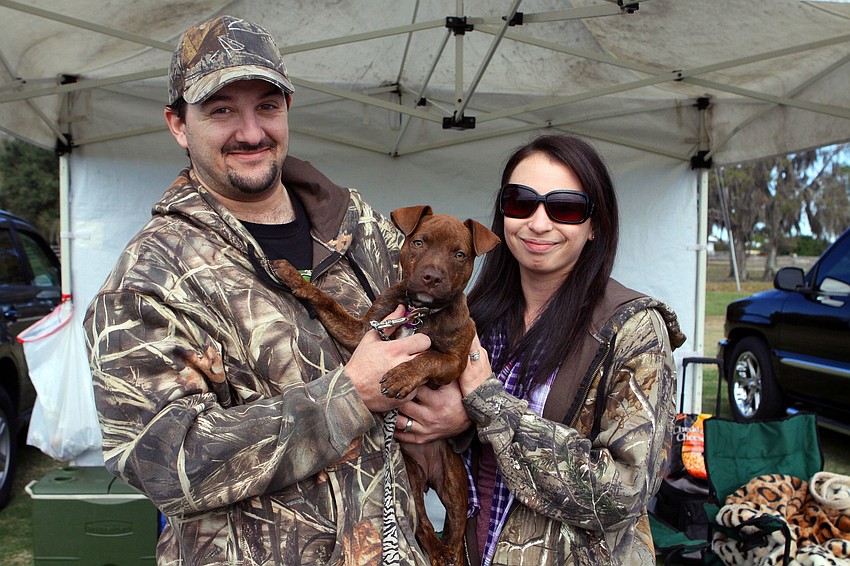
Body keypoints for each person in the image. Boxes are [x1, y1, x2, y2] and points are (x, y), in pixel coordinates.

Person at [83, 15, 435, 565]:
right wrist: (347, 398)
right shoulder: (146, 279)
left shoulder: (360, 227)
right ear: (178, 124)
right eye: (222, 110)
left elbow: (439, 326)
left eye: (267, 106)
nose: (251, 132)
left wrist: (459, 405)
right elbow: (160, 463)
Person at [450, 134, 686, 565]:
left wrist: (488, 402)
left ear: (595, 224)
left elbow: (621, 494)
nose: (538, 223)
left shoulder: (633, 329)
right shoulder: (475, 316)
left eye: (566, 208)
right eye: (521, 201)